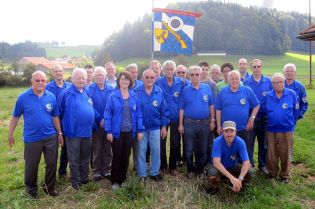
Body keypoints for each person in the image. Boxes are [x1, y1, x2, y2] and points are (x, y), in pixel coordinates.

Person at [8, 71, 63, 198]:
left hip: (50, 136)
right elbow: (15, 116)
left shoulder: (51, 96)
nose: (40, 83)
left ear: (46, 82)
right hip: (32, 138)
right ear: (31, 81)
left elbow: (55, 116)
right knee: (31, 165)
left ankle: (49, 187)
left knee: (51, 163)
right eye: (37, 80)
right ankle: (31, 190)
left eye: (43, 80)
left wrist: (59, 132)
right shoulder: (23, 97)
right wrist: (10, 133)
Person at [104, 71, 144, 190]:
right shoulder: (113, 96)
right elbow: (107, 114)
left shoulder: (134, 96)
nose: (124, 81)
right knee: (117, 156)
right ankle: (115, 181)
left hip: (130, 132)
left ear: (130, 82)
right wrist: (109, 131)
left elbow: (139, 114)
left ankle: (123, 179)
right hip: (116, 132)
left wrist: (140, 130)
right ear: (118, 81)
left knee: (126, 156)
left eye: (127, 79)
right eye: (122, 79)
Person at [57, 68, 95, 190]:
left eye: (83, 77)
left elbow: (91, 108)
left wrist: (100, 119)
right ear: (72, 79)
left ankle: (84, 178)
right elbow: (58, 113)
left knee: (85, 156)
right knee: (74, 158)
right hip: (73, 133)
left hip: (87, 131)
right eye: (78, 77)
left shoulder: (87, 91)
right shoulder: (66, 94)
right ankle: (75, 181)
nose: (81, 80)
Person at [178, 65, 215, 179]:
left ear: (201, 75)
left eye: (197, 74)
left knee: (202, 149)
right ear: (189, 76)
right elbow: (182, 108)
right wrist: (180, 124)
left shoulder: (206, 88)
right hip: (189, 123)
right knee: (189, 149)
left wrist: (212, 120)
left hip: (204, 123)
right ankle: (190, 170)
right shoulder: (186, 90)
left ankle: (200, 170)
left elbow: (211, 105)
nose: (195, 77)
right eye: (192, 74)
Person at [216, 70, 260, 166]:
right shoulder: (223, 91)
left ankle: (248, 168)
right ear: (228, 79)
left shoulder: (247, 90)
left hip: (244, 128)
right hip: (228, 130)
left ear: (240, 79)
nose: (234, 81)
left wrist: (252, 118)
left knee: (247, 149)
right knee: (229, 150)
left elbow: (257, 105)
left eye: (236, 78)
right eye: (232, 79)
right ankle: (230, 168)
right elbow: (218, 109)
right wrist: (219, 125)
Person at [134, 69, 169, 181]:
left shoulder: (159, 91)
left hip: (155, 127)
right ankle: (142, 174)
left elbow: (164, 110)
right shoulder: (136, 91)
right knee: (141, 151)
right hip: (141, 128)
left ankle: (155, 173)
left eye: (151, 77)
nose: (149, 79)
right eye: (147, 77)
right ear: (142, 78)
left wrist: (164, 126)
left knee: (155, 150)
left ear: (155, 79)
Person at [266, 73, 299, 184]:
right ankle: (272, 173)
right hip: (271, 129)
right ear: (273, 84)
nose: (279, 84)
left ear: (284, 82)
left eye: (281, 82)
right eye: (276, 82)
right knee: (272, 153)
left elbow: (296, 111)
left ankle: (285, 175)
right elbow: (265, 112)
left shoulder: (292, 94)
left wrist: (290, 123)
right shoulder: (268, 96)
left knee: (286, 153)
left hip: (286, 129)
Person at [206, 121, 252, 195]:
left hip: (232, 166)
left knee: (249, 170)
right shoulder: (217, 141)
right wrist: (231, 178)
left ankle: (241, 185)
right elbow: (216, 162)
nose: (229, 134)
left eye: (231, 131)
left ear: (235, 132)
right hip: (219, 168)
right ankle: (214, 188)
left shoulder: (240, 142)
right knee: (212, 174)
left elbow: (246, 162)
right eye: (226, 131)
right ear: (222, 132)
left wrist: (240, 179)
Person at [155, 60, 185, 176]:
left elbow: (183, 99)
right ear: (163, 70)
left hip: (176, 117)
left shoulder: (181, 82)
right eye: (167, 69)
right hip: (162, 117)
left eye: (171, 69)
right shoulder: (158, 82)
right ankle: (162, 166)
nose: (169, 71)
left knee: (175, 142)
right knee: (161, 142)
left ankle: (173, 167)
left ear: (175, 71)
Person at [244, 59, 272, 174]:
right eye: (254, 67)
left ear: (261, 67)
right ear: (251, 68)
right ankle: (249, 164)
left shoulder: (268, 82)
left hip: (265, 118)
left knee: (263, 143)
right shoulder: (246, 82)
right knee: (249, 142)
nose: (256, 69)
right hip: (251, 118)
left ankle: (263, 165)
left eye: (258, 66)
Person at [88, 67, 114, 181]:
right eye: (97, 75)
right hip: (96, 124)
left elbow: (113, 106)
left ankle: (106, 170)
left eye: (101, 75)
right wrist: (100, 119)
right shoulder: (90, 89)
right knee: (97, 148)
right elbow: (90, 106)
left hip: (109, 124)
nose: (100, 77)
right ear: (94, 76)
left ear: (105, 76)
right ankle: (97, 171)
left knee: (108, 148)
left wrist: (106, 120)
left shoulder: (111, 89)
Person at [45, 64, 71, 177]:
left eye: (60, 71)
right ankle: (51, 173)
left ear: (63, 72)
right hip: (52, 122)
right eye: (56, 71)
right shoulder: (47, 87)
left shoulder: (70, 86)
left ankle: (62, 171)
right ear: (52, 73)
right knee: (53, 149)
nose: (58, 73)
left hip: (66, 122)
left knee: (65, 147)